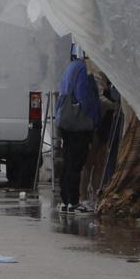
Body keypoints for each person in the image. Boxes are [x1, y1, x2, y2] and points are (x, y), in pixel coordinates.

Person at [56, 48, 104, 212]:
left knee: (68, 161)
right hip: (79, 125)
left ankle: (65, 200)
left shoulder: (70, 68)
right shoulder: (83, 70)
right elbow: (85, 97)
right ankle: (74, 201)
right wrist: (95, 118)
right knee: (76, 163)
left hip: (66, 121)